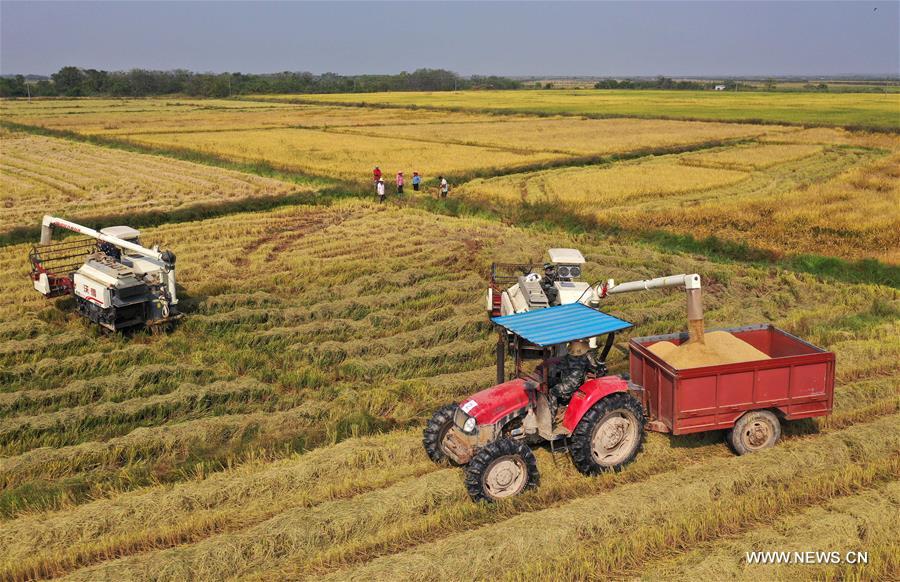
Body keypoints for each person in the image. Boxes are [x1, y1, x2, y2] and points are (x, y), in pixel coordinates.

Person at [550, 340, 597, 407]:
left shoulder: (569, 357)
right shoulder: (587, 357)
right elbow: (560, 367)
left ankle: (553, 410)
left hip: (571, 385)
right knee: (550, 381)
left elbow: (559, 368)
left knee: (553, 391)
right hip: (571, 381)